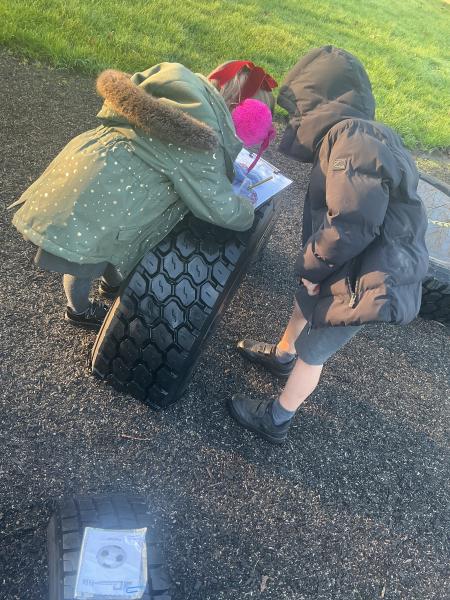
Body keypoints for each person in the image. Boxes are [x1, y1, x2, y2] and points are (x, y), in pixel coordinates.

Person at [228, 46, 429, 444]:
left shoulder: (353, 140)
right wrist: (314, 272)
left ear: (318, 102)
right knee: (305, 302)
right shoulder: (359, 135)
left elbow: (351, 221)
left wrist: (315, 266)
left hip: (369, 278)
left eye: (297, 112)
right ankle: (282, 354)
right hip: (355, 259)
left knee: (315, 349)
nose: (293, 121)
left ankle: (277, 418)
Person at [10, 60, 277, 329]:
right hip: (109, 201)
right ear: (241, 114)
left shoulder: (175, 89)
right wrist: (247, 207)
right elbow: (218, 206)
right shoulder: (199, 142)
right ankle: (79, 311)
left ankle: (107, 286)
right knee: (82, 262)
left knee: (95, 251)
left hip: (84, 167)